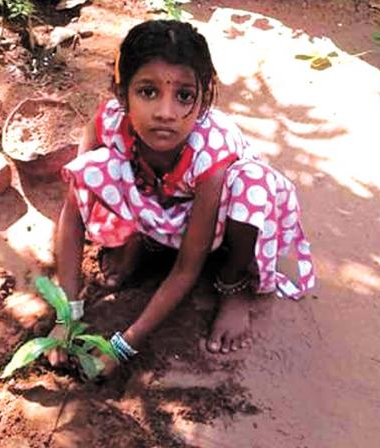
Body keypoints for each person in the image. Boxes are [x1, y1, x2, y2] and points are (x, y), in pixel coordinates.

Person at [45, 19, 315, 374]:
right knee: (94, 166)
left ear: (203, 101)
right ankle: (139, 240)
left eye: (183, 96)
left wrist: (125, 345)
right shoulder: (106, 123)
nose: (165, 113)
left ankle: (233, 286)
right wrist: (67, 315)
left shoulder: (210, 155)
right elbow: (73, 211)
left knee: (253, 185)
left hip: (214, 227)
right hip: (162, 204)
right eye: (147, 91)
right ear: (121, 92)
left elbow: (189, 265)